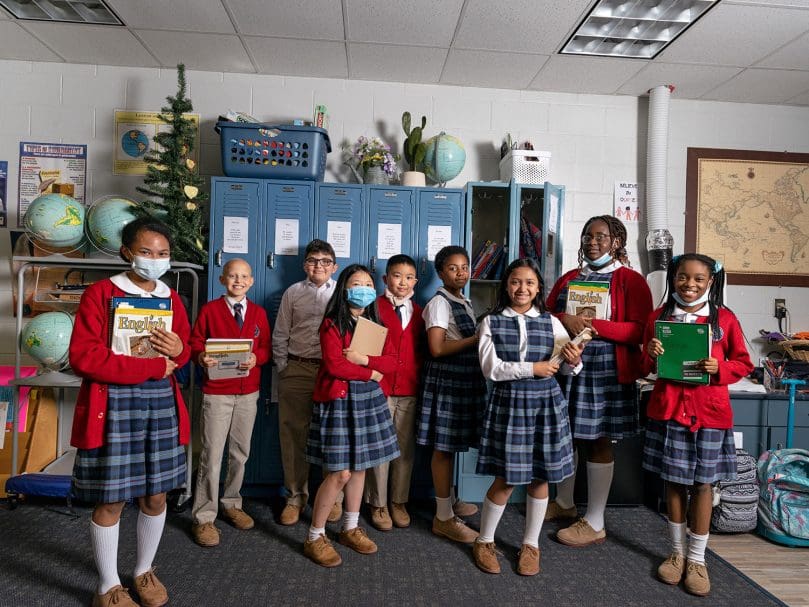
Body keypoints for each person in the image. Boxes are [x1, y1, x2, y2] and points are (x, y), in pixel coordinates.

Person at [69, 217, 190, 607]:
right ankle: (107, 586)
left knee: (156, 496)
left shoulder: (172, 299)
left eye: (163, 253)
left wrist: (179, 350)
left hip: (161, 404)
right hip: (115, 405)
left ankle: (143, 570)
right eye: (145, 252)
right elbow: (84, 357)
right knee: (112, 499)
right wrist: (151, 366)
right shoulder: (100, 294)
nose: (155, 259)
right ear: (126, 253)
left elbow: (183, 350)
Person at [642, 253, 752, 597]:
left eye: (698, 279)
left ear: (711, 282)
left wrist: (721, 368)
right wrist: (650, 352)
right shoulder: (658, 318)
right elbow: (645, 364)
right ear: (673, 278)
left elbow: (743, 363)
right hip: (670, 410)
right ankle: (676, 554)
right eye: (682, 277)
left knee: (703, 485)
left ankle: (697, 559)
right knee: (674, 482)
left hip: (709, 413)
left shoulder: (725, 319)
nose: (689, 284)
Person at [545, 215, 653, 546]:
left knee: (599, 440)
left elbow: (640, 330)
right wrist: (565, 318)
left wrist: (593, 326)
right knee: (567, 435)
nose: (592, 242)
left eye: (600, 237)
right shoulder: (569, 278)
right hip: (568, 364)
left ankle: (594, 521)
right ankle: (564, 503)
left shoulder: (631, 280)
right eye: (587, 237)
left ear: (616, 242)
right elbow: (546, 315)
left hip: (607, 371)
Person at [473, 258, 584, 576]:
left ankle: (531, 545)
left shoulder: (552, 323)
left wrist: (573, 360)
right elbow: (491, 369)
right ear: (506, 286)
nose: (522, 288)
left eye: (529, 283)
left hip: (546, 404)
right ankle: (484, 541)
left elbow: (567, 368)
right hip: (510, 404)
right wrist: (532, 368)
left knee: (540, 477)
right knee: (507, 478)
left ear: (538, 289)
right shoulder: (491, 322)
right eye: (515, 282)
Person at [303, 264, 400, 567]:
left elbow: (392, 362)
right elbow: (335, 365)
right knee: (340, 473)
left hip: (368, 401)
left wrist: (364, 360)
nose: (364, 289)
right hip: (340, 402)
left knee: (360, 469)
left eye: (368, 284)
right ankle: (315, 536)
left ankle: (350, 527)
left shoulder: (376, 324)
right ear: (344, 289)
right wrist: (371, 372)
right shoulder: (332, 324)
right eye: (357, 284)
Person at [189, 258, 272, 547]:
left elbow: (266, 348)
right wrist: (202, 356)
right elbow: (195, 343)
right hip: (217, 392)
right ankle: (204, 516)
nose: (238, 280)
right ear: (222, 279)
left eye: (244, 276)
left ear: (251, 281)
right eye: (233, 276)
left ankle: (232, 503)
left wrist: (257, 358)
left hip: (248, 392)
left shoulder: (259, 313)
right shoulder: (210, 310)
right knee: (211, 456)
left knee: (240, 453)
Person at [417, 245, 487, 544]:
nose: (460, 273)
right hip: (447, 379)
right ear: (440, 273)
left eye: (465, 267)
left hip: (463, 378)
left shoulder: (463, 300)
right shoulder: (439, 303)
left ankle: (450, 500)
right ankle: (443, 517)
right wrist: (476, 338)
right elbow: (437, 348)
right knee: (443, 448)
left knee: (453, 444)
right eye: (452, 268)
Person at [272, 239, 343, 526]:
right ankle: (295, 497)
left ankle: (333, 498)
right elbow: (280, 333)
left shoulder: (342, 293)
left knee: (333, 435)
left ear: (334, 267)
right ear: (305, 265)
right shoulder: (293, 292)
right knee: (293, 435)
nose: (319, 266)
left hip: (331, 371)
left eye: (325, 261)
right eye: (313, 260)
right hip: (297, 368)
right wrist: (284, 367)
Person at [363, 254, 425, 530]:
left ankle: (398, 501)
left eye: (409, 277)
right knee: (379, 448)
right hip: (381, 389)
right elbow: (364, 349)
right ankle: (377, 503)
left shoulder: (420, 312)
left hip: (409, 389)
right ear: (385, 278)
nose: (403, 282)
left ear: (415, 281)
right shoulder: (372, 308)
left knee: (404, 448)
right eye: (397, 276)